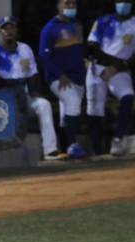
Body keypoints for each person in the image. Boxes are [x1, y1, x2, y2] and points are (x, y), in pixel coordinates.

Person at [0, 16, 67, 161]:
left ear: (17, 30)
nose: (9, 31)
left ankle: (50, 150)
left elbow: (33, 73)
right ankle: (12, 154)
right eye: (5, 28)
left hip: (24, 96)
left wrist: (34, 89)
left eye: (12, 28)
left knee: (44, 105)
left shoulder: (25, 49)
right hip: (5, 102)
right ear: (0, 32)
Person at [86, 1, 135, 156]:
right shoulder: (103, 20)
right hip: (98, 68)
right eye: (120, 1)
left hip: (120, 70)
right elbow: (92, 46)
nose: (123, 4)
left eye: (126, 1)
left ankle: (118, 139)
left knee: (128, 96)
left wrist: (120, 65)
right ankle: (98, 153)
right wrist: (114, 61)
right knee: (95, 110)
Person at [39, 0, 87, 159]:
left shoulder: (77, 24)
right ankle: (73, 146)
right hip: (59, 77)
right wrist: (60, 74)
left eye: (73, 3)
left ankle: (66, 148)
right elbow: (44, 57)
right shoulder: (50, 28)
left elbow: (79, 49)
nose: (71, 6)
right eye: (67, 3)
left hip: (78, 75)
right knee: (73, 104)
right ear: (59, 5)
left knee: (69, 112)